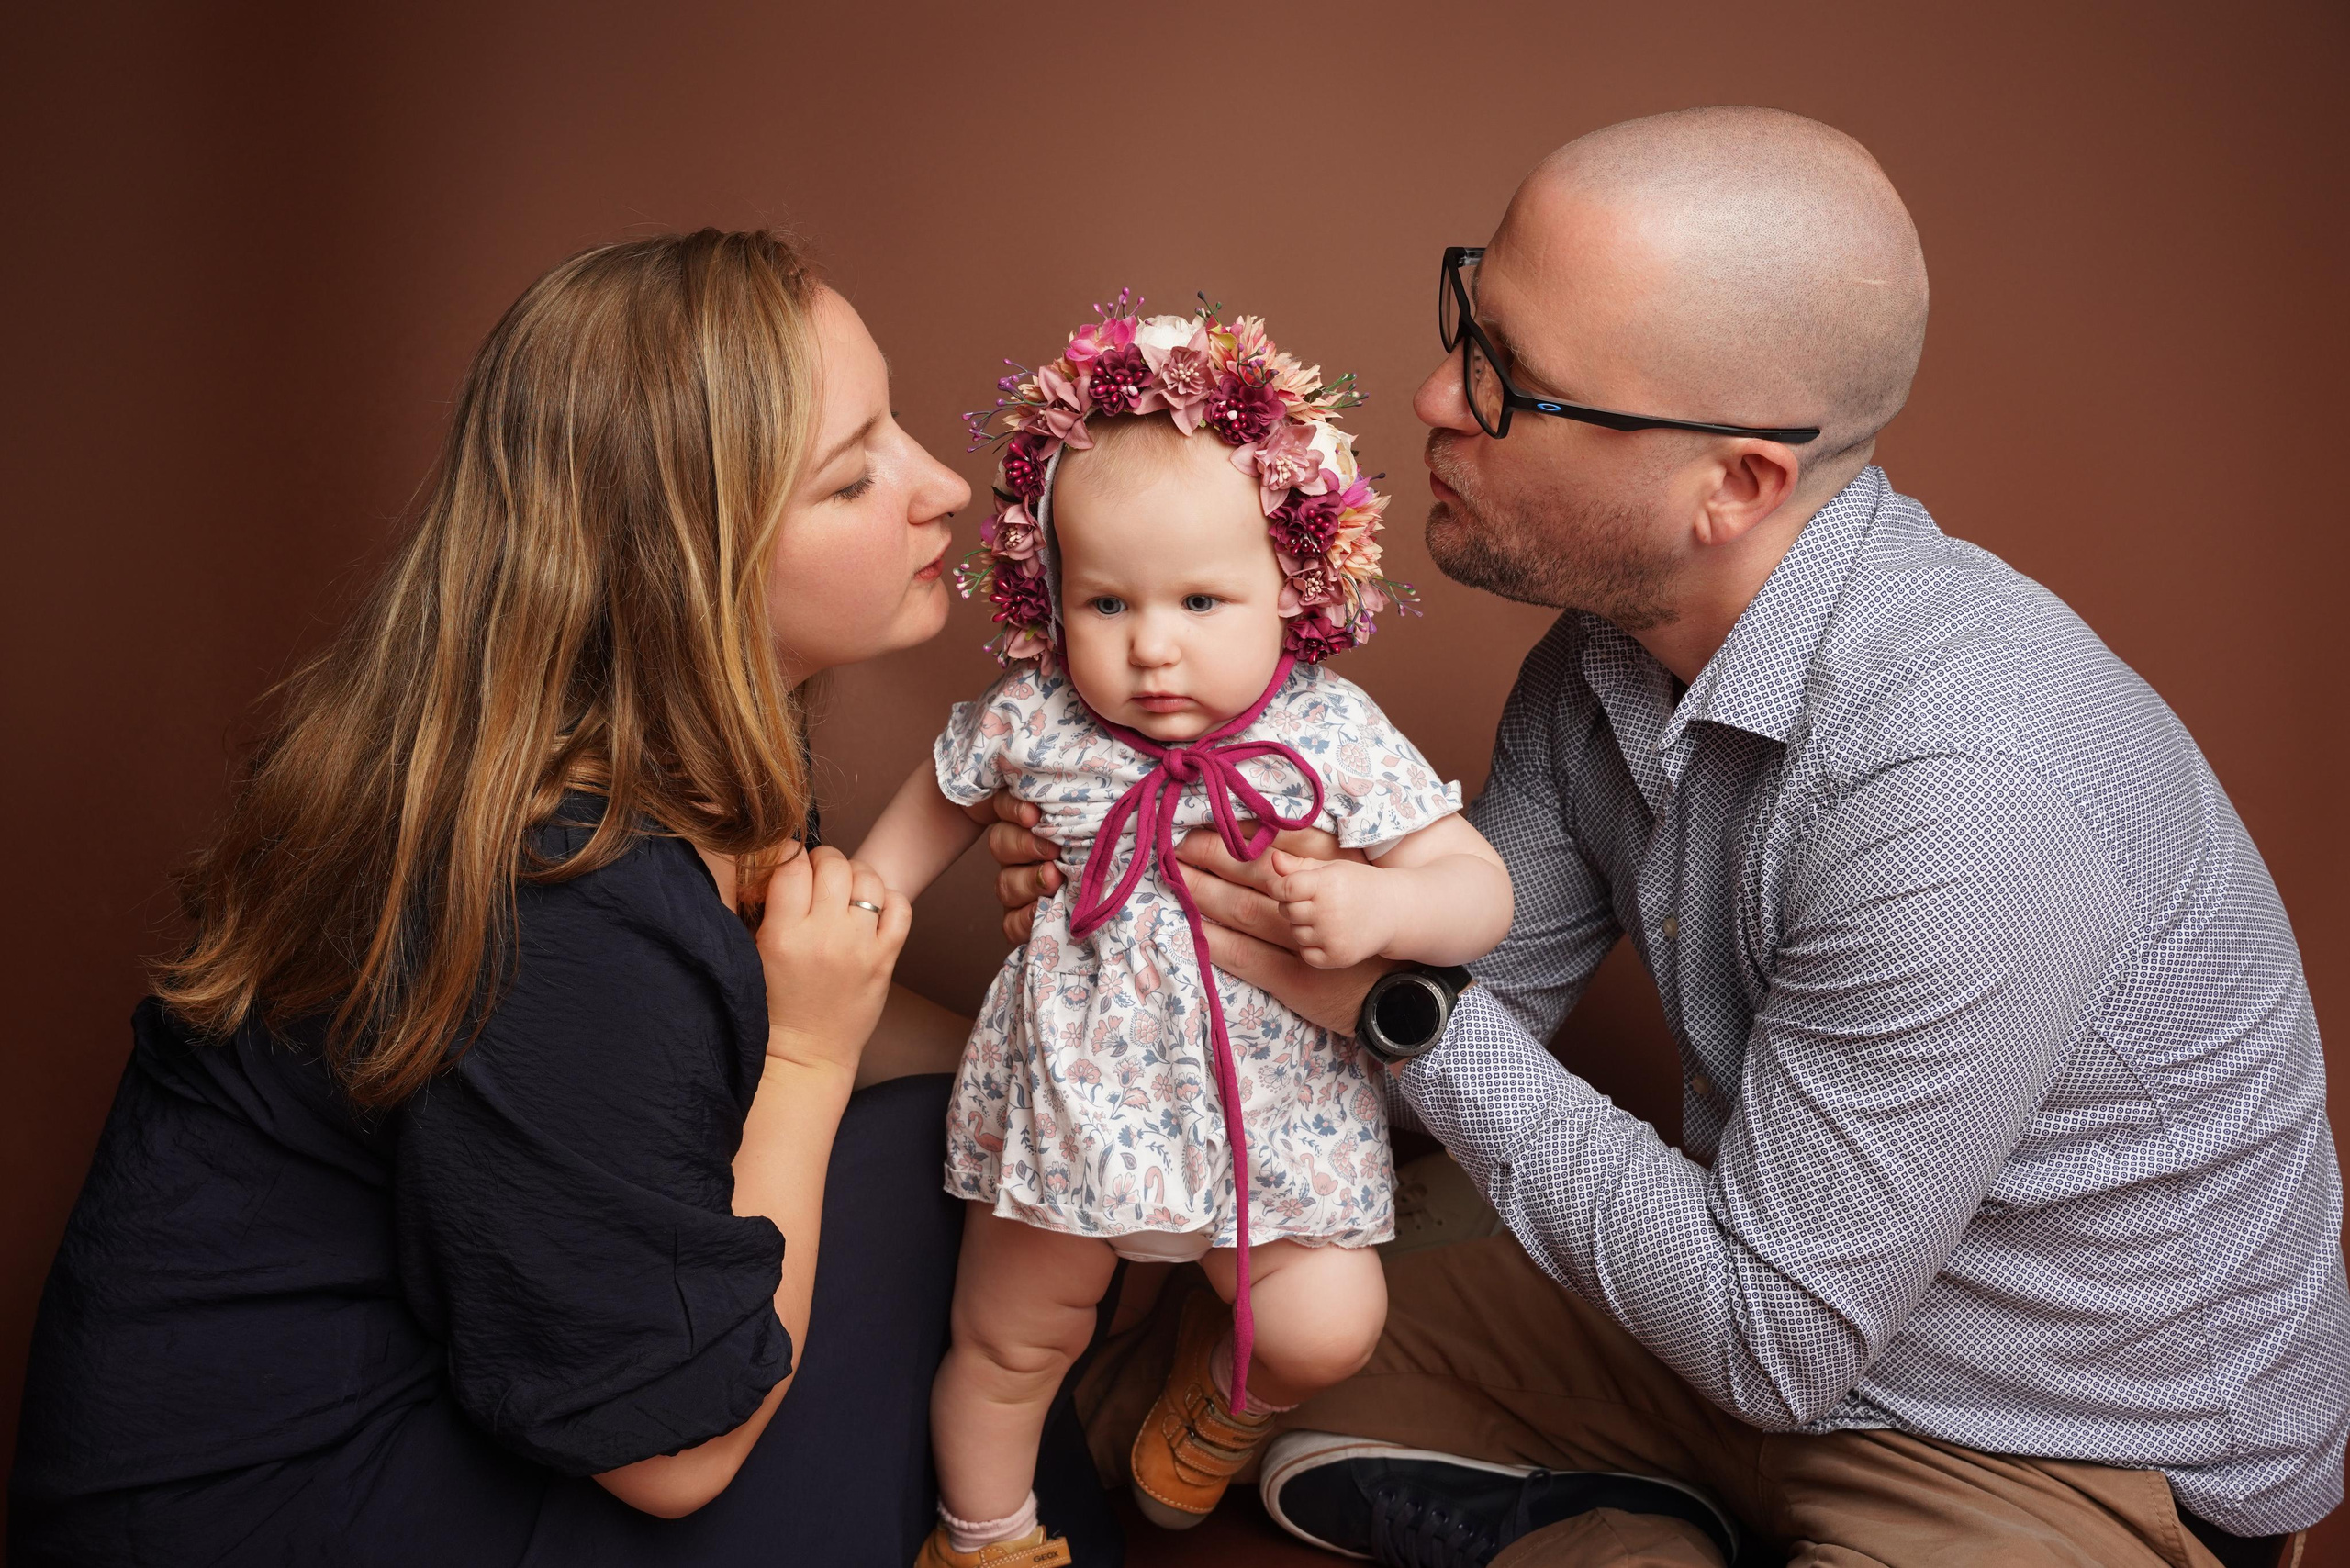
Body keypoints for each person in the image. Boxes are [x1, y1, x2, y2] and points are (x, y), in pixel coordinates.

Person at [983, 109, 2347, 1567]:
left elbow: (1761, 1326)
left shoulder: (1968, 790)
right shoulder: (1607, 657)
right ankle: (1626, 1521)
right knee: (1185, 1347)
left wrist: (1395, 1002)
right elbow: (1458, 1011)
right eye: (1469, 321)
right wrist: (1132, 907)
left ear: (1736, 484)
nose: (1440, 396)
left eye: (1513, 380)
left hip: (2052, 1446)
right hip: (1727, 1314)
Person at [8, 230, 1108, 1568]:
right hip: (297, 1511)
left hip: (443, 1400)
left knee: (1012, 1142)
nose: (942, 487)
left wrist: (1097, 1029)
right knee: (965, 1206)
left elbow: (758, 1023)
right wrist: (814, 1052)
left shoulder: (666, 753)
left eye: (898, 425)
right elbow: (672, 1455)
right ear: (685, 569)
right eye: (851, 477)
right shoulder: (558, 890)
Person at [852, 300, 1514, 1565]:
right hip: (1072, 1119)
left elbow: (1478, 887)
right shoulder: (1035, 717)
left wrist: (1383, 903)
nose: (1152, 647)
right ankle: (984, 1538)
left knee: (1326, 1325)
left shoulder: (1325, 732)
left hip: (1270, 1124)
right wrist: (850, 916)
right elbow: (906, 844)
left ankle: (1220, 1408)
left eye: (1204, 599)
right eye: (1106, 604)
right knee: (1003, 1347)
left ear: (1292, 585)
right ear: (1055, 596)